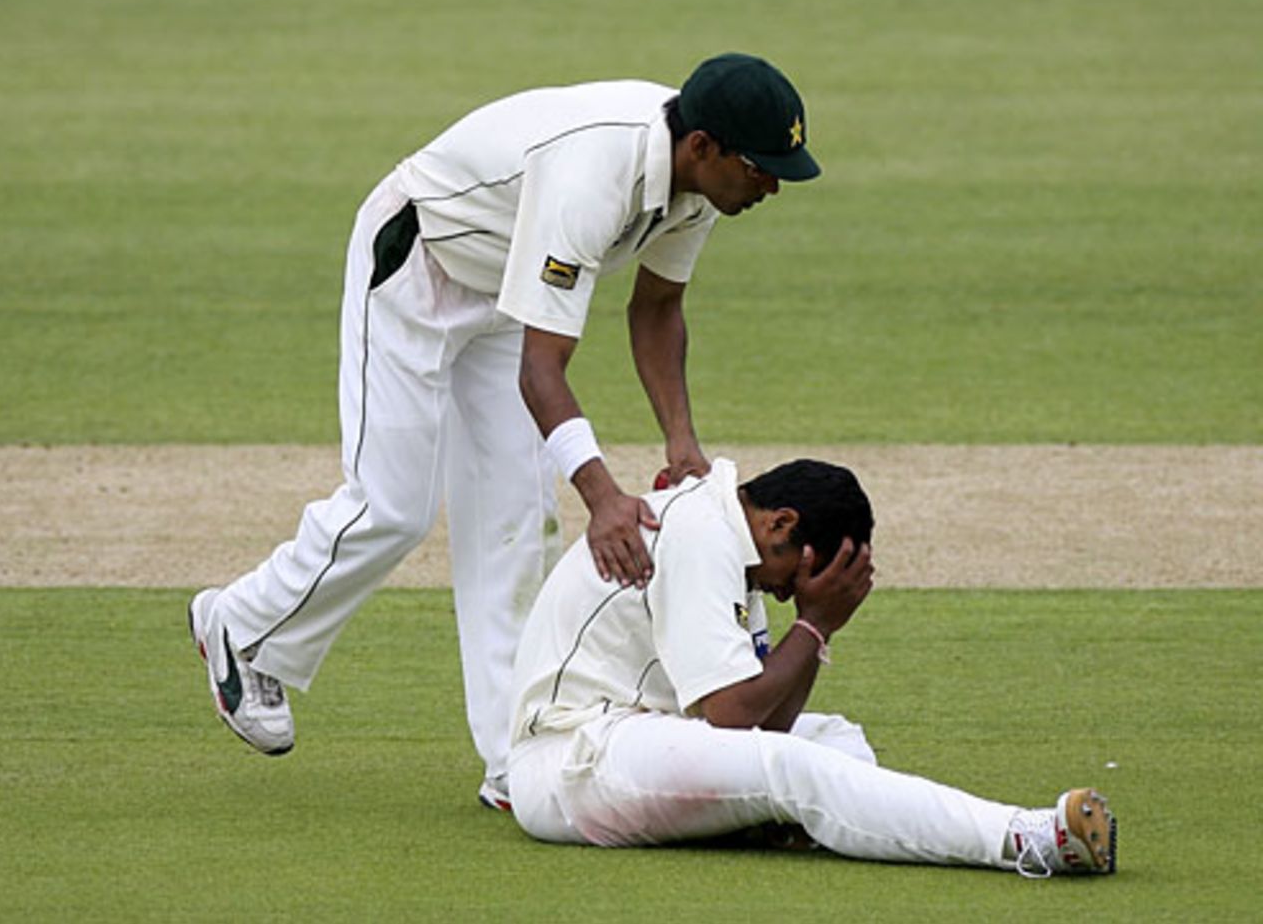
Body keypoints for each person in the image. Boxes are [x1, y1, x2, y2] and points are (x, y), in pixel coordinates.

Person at [186, 53, 822, 809]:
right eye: (761, 168)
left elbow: (656, 310)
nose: (771, 187)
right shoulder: (593, 174)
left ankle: (514, 755)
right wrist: (602, 495)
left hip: (506, 293)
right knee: (392, 507)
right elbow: (541, 373)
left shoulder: (701, 187)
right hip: (419, 262)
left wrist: (681, 443)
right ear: (704, 146)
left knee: (518, 525)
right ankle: (241, 624)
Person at [507, 458, 1118, 878]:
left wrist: (815, 630)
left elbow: (765, 722)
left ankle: (763, 825)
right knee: (793, 766)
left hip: (636, 740)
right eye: (803, 572)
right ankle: (1025, 837)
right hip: (568, 762)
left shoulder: (738, 545)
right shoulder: (701, 533)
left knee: (836, 739)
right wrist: (815, 623)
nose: (787, 593)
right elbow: (733, 716)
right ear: (782, 523)